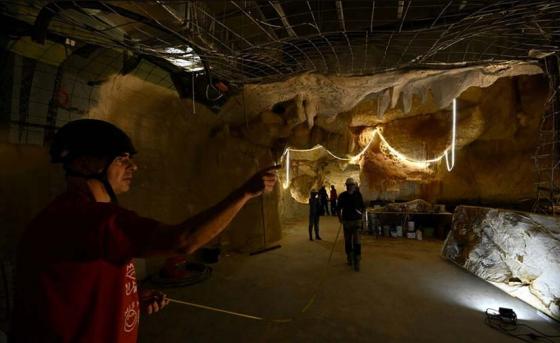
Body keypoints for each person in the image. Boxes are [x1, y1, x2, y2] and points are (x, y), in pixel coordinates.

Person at [11, 119, 278, 343]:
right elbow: (184, 240)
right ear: (83, 164)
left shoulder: (76, 215)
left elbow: (74, 292)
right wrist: (245, 192)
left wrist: (130, 299)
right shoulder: (84, 219)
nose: (133, 167)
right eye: (121, 159)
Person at [336, 177, 365, 272]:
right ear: (347, 186)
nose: (351, 187)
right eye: (349, 185)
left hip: (357, 221)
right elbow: (338, 208)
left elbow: (362, 207)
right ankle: (349, 256)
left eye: (352, 185)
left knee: (357, 241)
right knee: (348, 241)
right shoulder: (342, 196)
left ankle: (357, 260)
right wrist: (340, 218)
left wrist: (362, 218)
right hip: (347, 222)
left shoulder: (358, 195)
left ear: (354, 186)